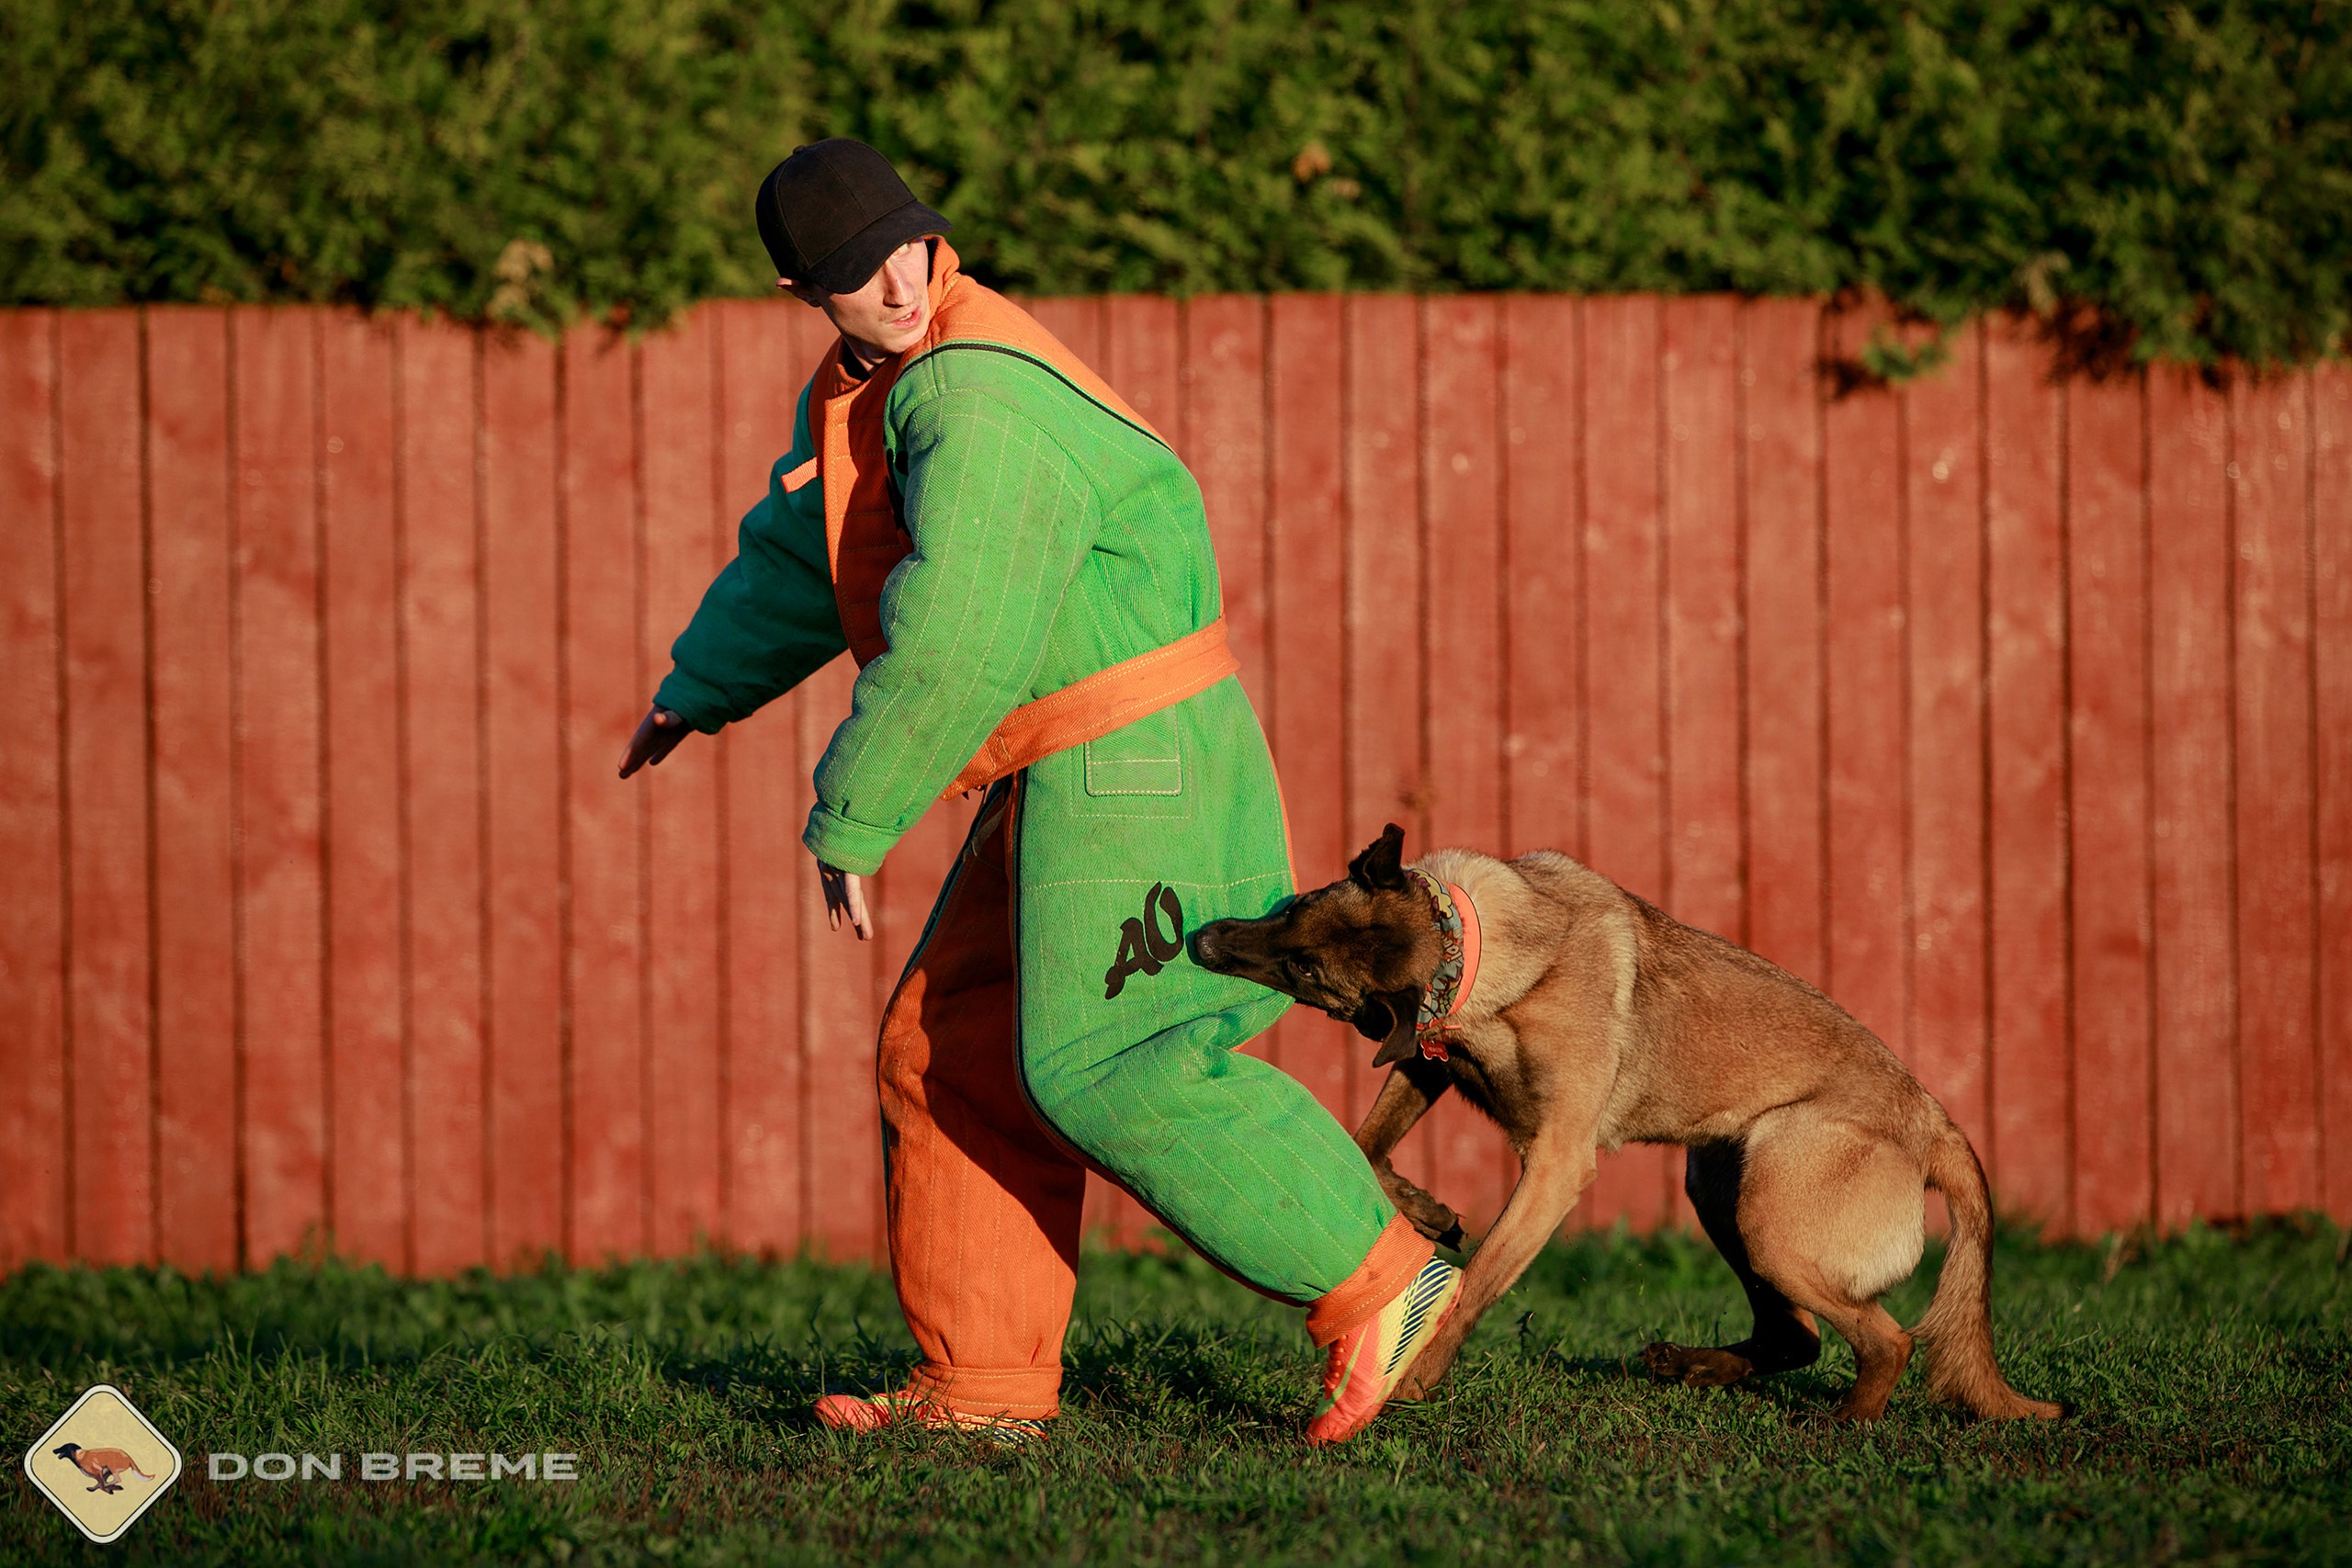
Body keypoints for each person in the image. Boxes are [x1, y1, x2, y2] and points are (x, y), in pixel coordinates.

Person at [620, 138, 1459, 1444]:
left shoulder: (975, 397)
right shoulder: (871, 384)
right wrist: (698, 687)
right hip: (1068, 764)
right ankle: (985, 1388)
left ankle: (1382, 1279)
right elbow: (814, 550)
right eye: (856, 273)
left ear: (928, 234)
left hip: (1137, 761)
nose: (897, 285)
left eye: (907, 249)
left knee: (1116, 1060)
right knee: (948, 1047)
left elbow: (961, 632)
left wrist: (854, 816)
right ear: (805, 292)